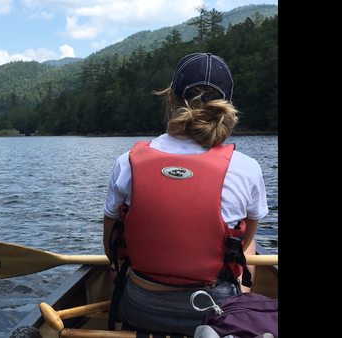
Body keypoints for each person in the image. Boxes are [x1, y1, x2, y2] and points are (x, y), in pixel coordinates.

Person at [102, 52, 269, 336]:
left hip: (140, 306)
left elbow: (110, 247)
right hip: (214, 310)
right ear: (227, 106)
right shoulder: (246, 168)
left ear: (170, 99)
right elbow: (245, 244)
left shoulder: (127, 162)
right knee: (243, 244)